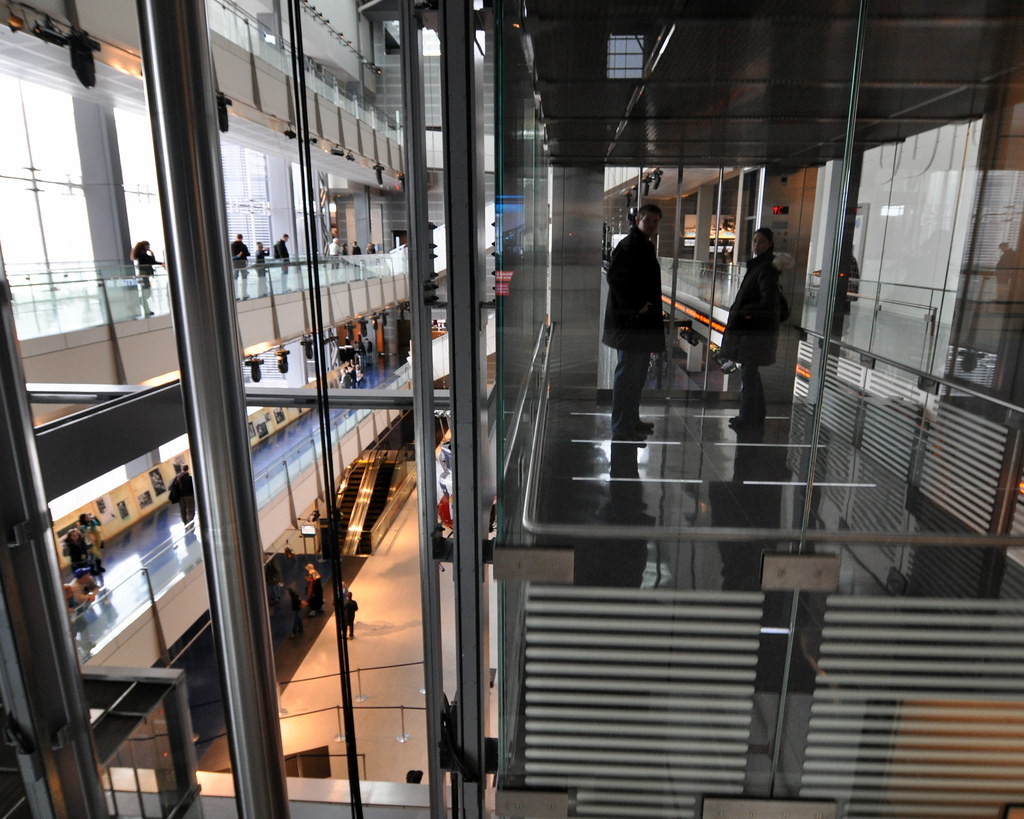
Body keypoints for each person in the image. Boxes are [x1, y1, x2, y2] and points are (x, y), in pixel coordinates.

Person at [601, 204, 665, 444]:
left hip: (637, 325)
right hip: (631, 325)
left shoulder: (641, 246)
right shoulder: (630, 246)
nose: (652, 225)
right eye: (648, 220)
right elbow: (615, 280)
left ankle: (631, 421)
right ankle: (622, 426)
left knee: (635, 377)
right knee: (628, 376)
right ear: (638, 219)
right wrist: (639, 305)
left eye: (656, 221)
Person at [719, 227, 782, 431]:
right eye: (755, 241)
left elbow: (767, 301)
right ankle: (756, 415)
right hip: (754, 331)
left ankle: (747, 418)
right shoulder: (761, 266)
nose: (756, 245)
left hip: (754, 332)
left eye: (761, 241)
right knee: (751, 373)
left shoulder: (765, 269)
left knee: (749, 374)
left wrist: (746, 311)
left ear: (770, 244)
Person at [130, 240, 161, 317]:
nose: (149, 247)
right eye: (148, 246)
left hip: (144, 276)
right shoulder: (142, 255)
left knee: (145, 294)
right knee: (146, 294)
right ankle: (135, 306)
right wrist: (152, 253)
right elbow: (152, 261)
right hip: (144, 276)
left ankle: (138, 307)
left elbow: (151, 261)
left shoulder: (141, 255)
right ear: (144, 246)